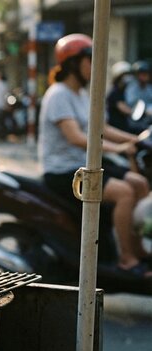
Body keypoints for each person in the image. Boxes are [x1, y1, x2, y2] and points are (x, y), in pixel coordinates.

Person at [38, 33, 151, 279]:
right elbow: (76, 138)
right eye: (90, 61)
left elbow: (102, 128)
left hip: (86, 165)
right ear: (72, 64)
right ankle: (126, 259)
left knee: (140, 183)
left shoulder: (82, 94)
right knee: (124, 192)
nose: (94, 68)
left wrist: (135, 140)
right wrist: (119, 149)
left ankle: (137, 248)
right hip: (64, 172)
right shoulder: (58, 95)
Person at [106, 61, 134, 133]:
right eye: (125, 75)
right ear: (118, 78)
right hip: (116, 129)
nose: (128, 78)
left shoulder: (122, 91)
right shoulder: (115, 92)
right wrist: (137, 112)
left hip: (123, 127)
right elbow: (124, 109)